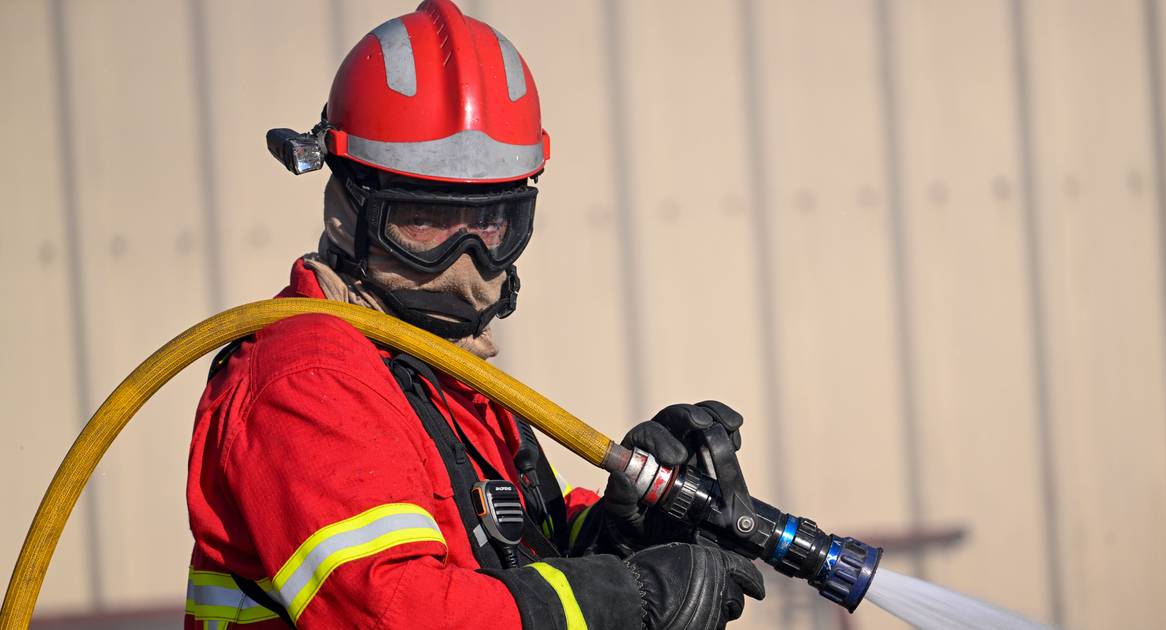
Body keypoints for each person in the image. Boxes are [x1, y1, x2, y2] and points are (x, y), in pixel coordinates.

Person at [185, 1, 764, 628]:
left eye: (491, 221)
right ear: (348, 207)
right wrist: (630, 598)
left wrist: (623, 527)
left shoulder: (436, 370)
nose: (466, 259)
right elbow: (393, 613)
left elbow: (506, 553)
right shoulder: (308, 382)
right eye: (425, 219)